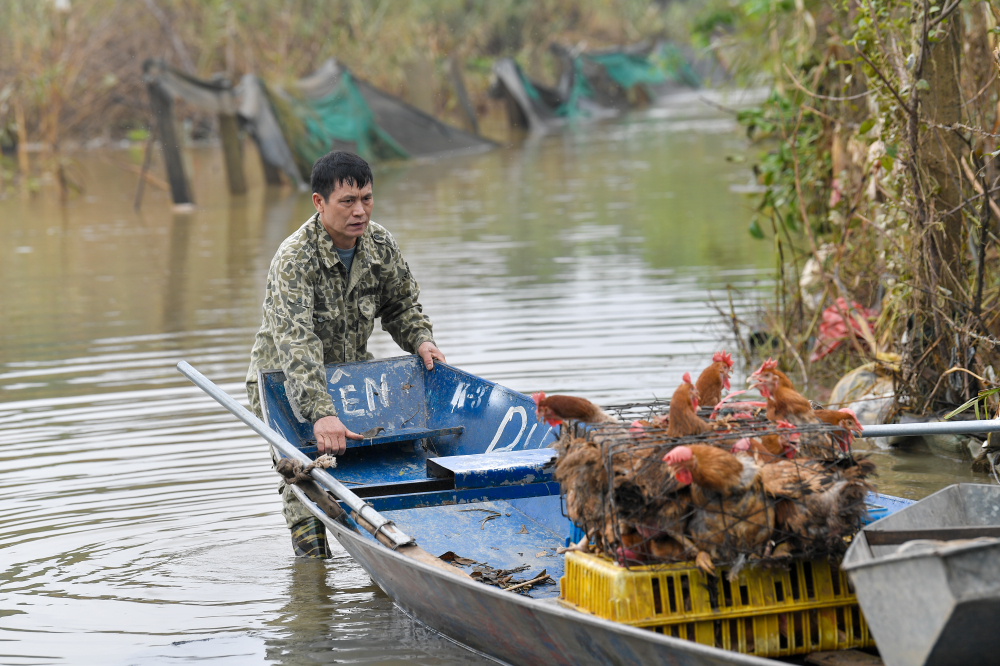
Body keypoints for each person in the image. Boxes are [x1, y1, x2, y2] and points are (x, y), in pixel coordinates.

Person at [245, 151, 445, 557]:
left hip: (351, 376)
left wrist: (421, 341)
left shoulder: (379, 243)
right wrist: (320, 412)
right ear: (319, 203)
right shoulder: (294, 259)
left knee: (369, 472)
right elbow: (296, 345)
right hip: (284, 382)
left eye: (367, 199)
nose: (360, 212)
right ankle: (311, 571)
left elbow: (401, 306)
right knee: (303, 483)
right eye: (348, 202)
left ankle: (384, 554)